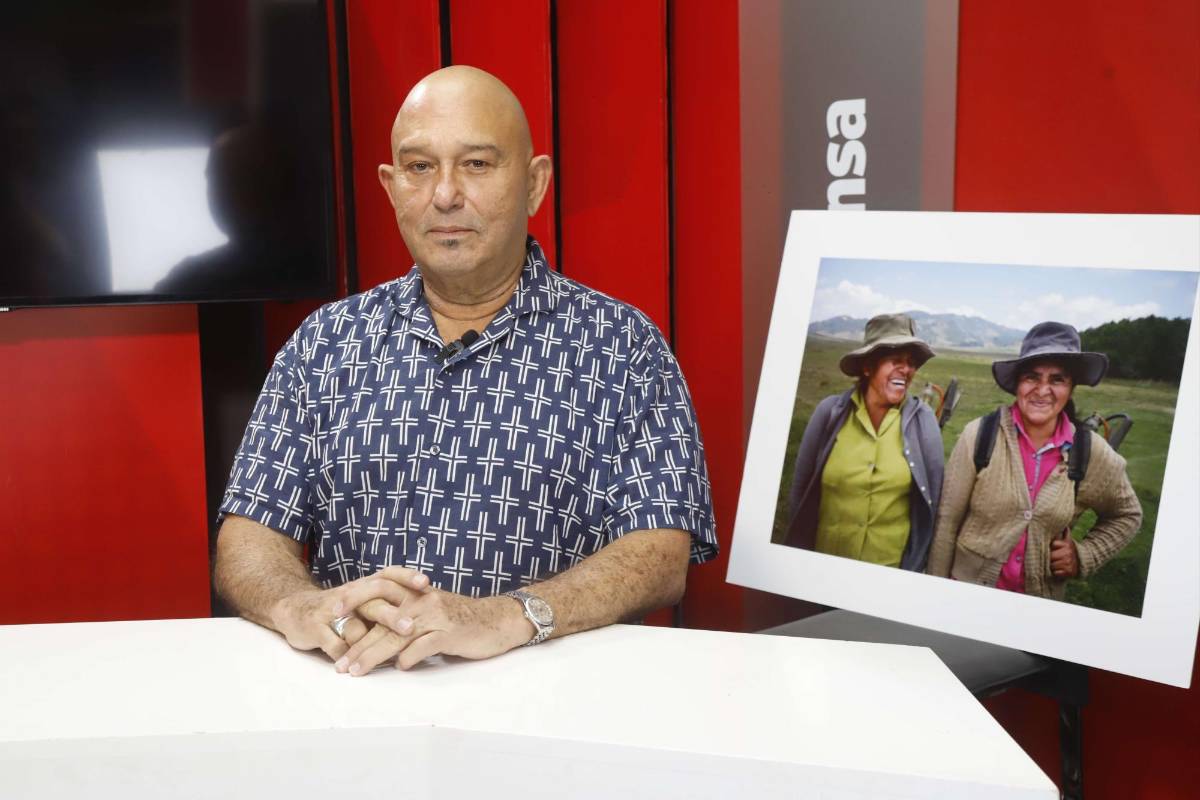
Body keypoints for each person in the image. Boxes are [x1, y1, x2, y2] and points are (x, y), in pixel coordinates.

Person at [212, 66, 717, 676]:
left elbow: (660, 554)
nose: (445, 194)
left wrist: (509, 616)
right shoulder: (325, 344)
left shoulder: (624, 347)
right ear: (392, 186)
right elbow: (248, 538)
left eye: (476, 164)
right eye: (420, 167)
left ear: (534, 184)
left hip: (552, 710)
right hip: (359, 694)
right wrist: (297, 604)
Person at [927, 322, 1141, 599]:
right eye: (1032, 377)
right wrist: (934, 595)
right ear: (1017, 382)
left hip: (1039, 607)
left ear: (1071, 387)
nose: (1042, 390)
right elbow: (946, 523)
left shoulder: (1090, 451)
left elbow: (1128, 514)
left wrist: (1084, 554)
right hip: (965, 595)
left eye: (1057, 379)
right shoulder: (979, 435)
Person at [779, 313, 943, 571]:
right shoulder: (829, 414)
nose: (906, 369)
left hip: (889, 573)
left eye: (910, 363)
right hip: (823, 569)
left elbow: (933, 503)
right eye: (895, 360)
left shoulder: (924, 421)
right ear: (868, 367)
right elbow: (800, 491)